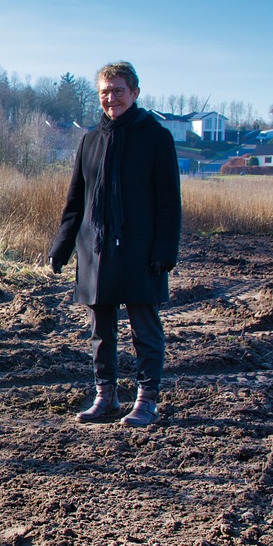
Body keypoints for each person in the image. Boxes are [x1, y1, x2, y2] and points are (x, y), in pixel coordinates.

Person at [48, 62, 181, 427]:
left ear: (134, 93)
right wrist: (62, 246)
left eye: (118, 90)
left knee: (144, 328)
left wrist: (165, 251)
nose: (111, 98)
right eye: (105, 92)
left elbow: (169, 200)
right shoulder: (90, 140)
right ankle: (105, 397)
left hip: (141, 250)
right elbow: (77, 200)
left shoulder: (155, 137)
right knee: (100, 332)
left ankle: (146, 401)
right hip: (96, 249)